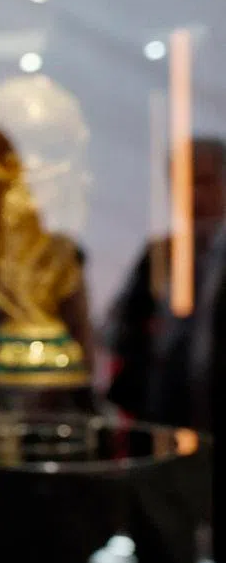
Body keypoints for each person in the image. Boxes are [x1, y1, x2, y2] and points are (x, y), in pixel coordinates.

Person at [106, 138, 226, 425]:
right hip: (164, 419)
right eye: (185, 184)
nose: (195, 196)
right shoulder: (159, 255)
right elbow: (115, 327)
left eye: (205, 182)